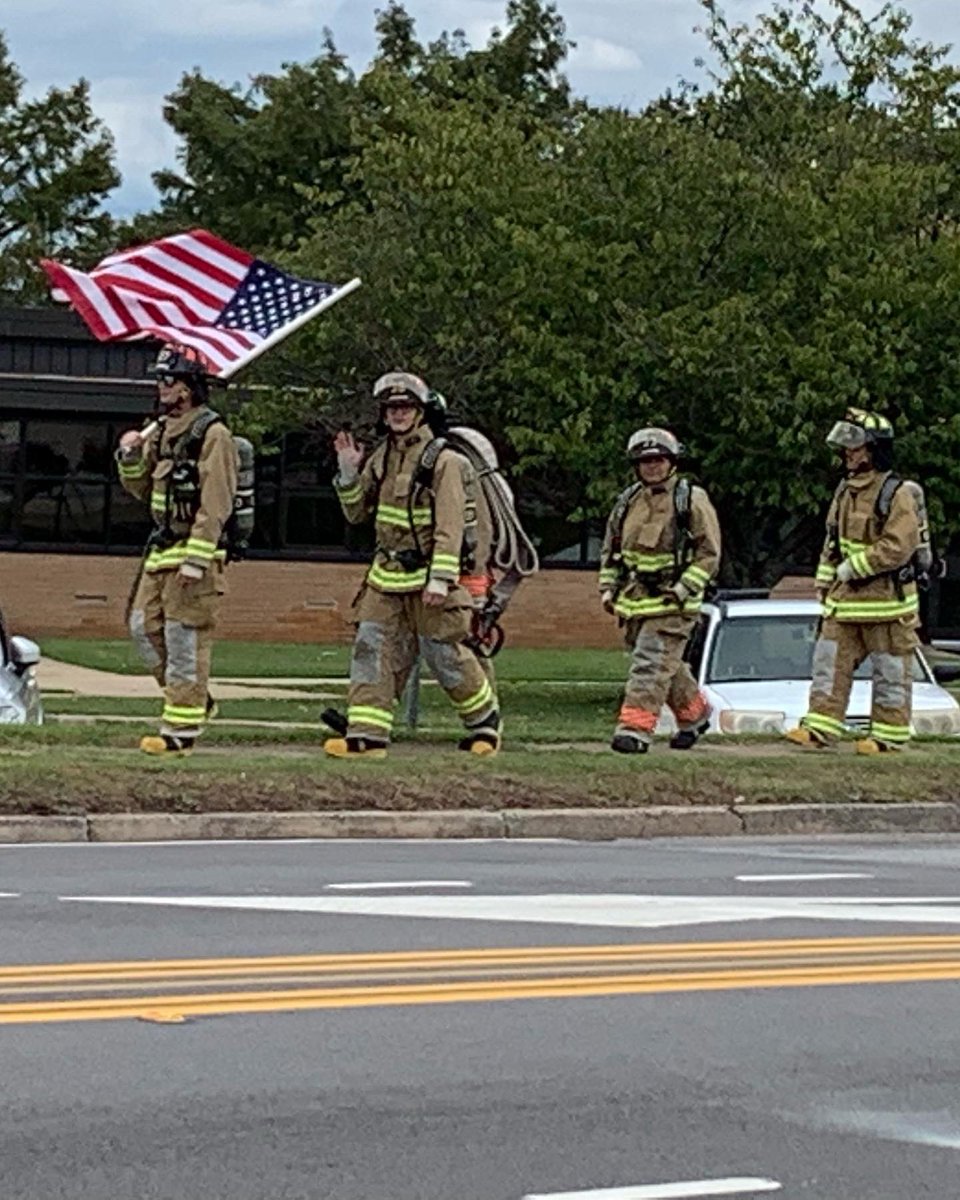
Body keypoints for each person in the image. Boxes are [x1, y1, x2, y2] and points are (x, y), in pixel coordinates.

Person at [325, 371, 501, 758]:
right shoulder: (382, 456)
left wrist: (440, 577)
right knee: (372, 648)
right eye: (391, 408)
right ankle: (366, 735)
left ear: (421, 412)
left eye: (405, 407)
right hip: (385, 577)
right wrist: (348, 470)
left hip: (429, 578)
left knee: (444, 653)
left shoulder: (445, 460)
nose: (398, 414)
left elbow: (451, 524)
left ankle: (484, 723)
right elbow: (357, 514)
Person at [116, 343, 239, 757]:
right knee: (143, 629)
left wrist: (198, 557)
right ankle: (195, 699)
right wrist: (129, 455)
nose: (161, 386)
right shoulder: (162, 431)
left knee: (183, 639)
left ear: (188, 387)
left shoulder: (214, 434)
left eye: (168, 379)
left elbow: (216, 501)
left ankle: (180, 731)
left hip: (193, 556)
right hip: (161, 553)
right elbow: (141, 488)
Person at [786, 408, 923, 754]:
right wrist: (825, 579)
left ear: (875, 449)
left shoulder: (898, 493)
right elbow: (832, 541)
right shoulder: (845, 490)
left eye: (856, 447)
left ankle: (888, 737)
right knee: (828, 661)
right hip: (845, 602)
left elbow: (898, 546)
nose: (849, 454)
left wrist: (855, 568)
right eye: (846, 448)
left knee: (890, 671)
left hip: (887, 604)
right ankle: (820, 727)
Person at [599, 427, 722, 754]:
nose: (651, 466)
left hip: (674, 604)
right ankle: (695, 716)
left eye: (658, 459)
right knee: (669, 666)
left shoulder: (690, 499)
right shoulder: (628, 502)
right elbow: (611, 551)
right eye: (644, 461)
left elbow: (709, 553)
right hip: (636, 603)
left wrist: (683, 589)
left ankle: (634, 731)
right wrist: (608, 589)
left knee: (650, 666)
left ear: (672, 462)